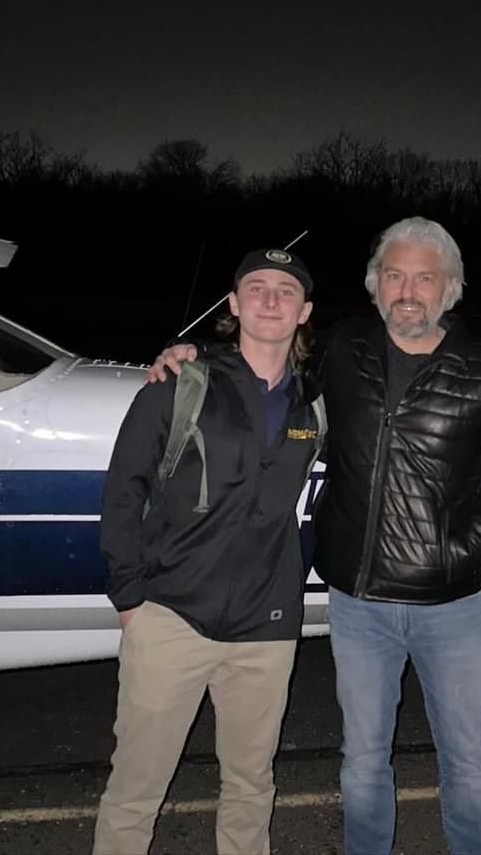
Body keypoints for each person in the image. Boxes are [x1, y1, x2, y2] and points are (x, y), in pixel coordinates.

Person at [148, 217, 481, 855]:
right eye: (394, 275)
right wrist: (195, 355)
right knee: (362, 762)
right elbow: (267, 372)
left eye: (425, 277)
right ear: (375, 286)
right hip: (358, 604)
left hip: (450, 606)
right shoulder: (343, 348)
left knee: (466, 763)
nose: (408, 291)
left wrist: (459, 550)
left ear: (450, 289)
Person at [94, 248, 324, 855]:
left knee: (251, 786)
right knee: (135, 789)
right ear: (232, 305)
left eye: (285, 290)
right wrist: (130, 600)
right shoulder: (181, 382)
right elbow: (123, 492)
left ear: (305, 312)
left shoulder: (317, 404)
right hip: (170, 616)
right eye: (256, 287)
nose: (271, 299)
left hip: (267, 626)